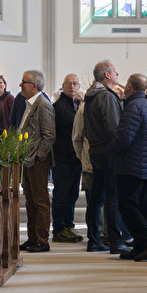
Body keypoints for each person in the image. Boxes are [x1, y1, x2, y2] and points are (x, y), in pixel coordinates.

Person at [107, 73, 147, 261]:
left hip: (132, 165)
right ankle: (140, 246)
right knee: (140, 207)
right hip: (145, 165)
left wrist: (109, 149)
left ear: (129, 86)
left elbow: (124, 137)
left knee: (127, 205)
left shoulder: (133, 105)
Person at [83, 60, 130, 254]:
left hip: (95, 150)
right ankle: (115, 241)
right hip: (109, 152)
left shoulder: (90, 96)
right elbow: (113, 129)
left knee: (96, 197)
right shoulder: (107, 97)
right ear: (107, 76)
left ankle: (93, 240)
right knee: (112, 197)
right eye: (115, 71)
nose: (118, 73)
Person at [17, 70, 56, 253]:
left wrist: (39, 155)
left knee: (40, 201)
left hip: (37, 160)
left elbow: (49, 135)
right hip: (28, 159)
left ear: (33, 86)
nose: (20, 85)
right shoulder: (30, 103)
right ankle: (32, 238)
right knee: (30, 201)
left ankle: (42, 240)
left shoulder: (43, 104)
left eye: (23, 82)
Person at [51, 74, 83, 243]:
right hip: (62, 159)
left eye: (75, 84)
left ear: (79, 87)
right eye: (69, 84)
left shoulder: (78, 105)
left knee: (72, 194)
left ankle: (68, 225)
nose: (72, 87)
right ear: (63, 86)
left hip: (76, 158)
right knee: (61, 195)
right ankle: (58, 229)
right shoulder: (57, 107)